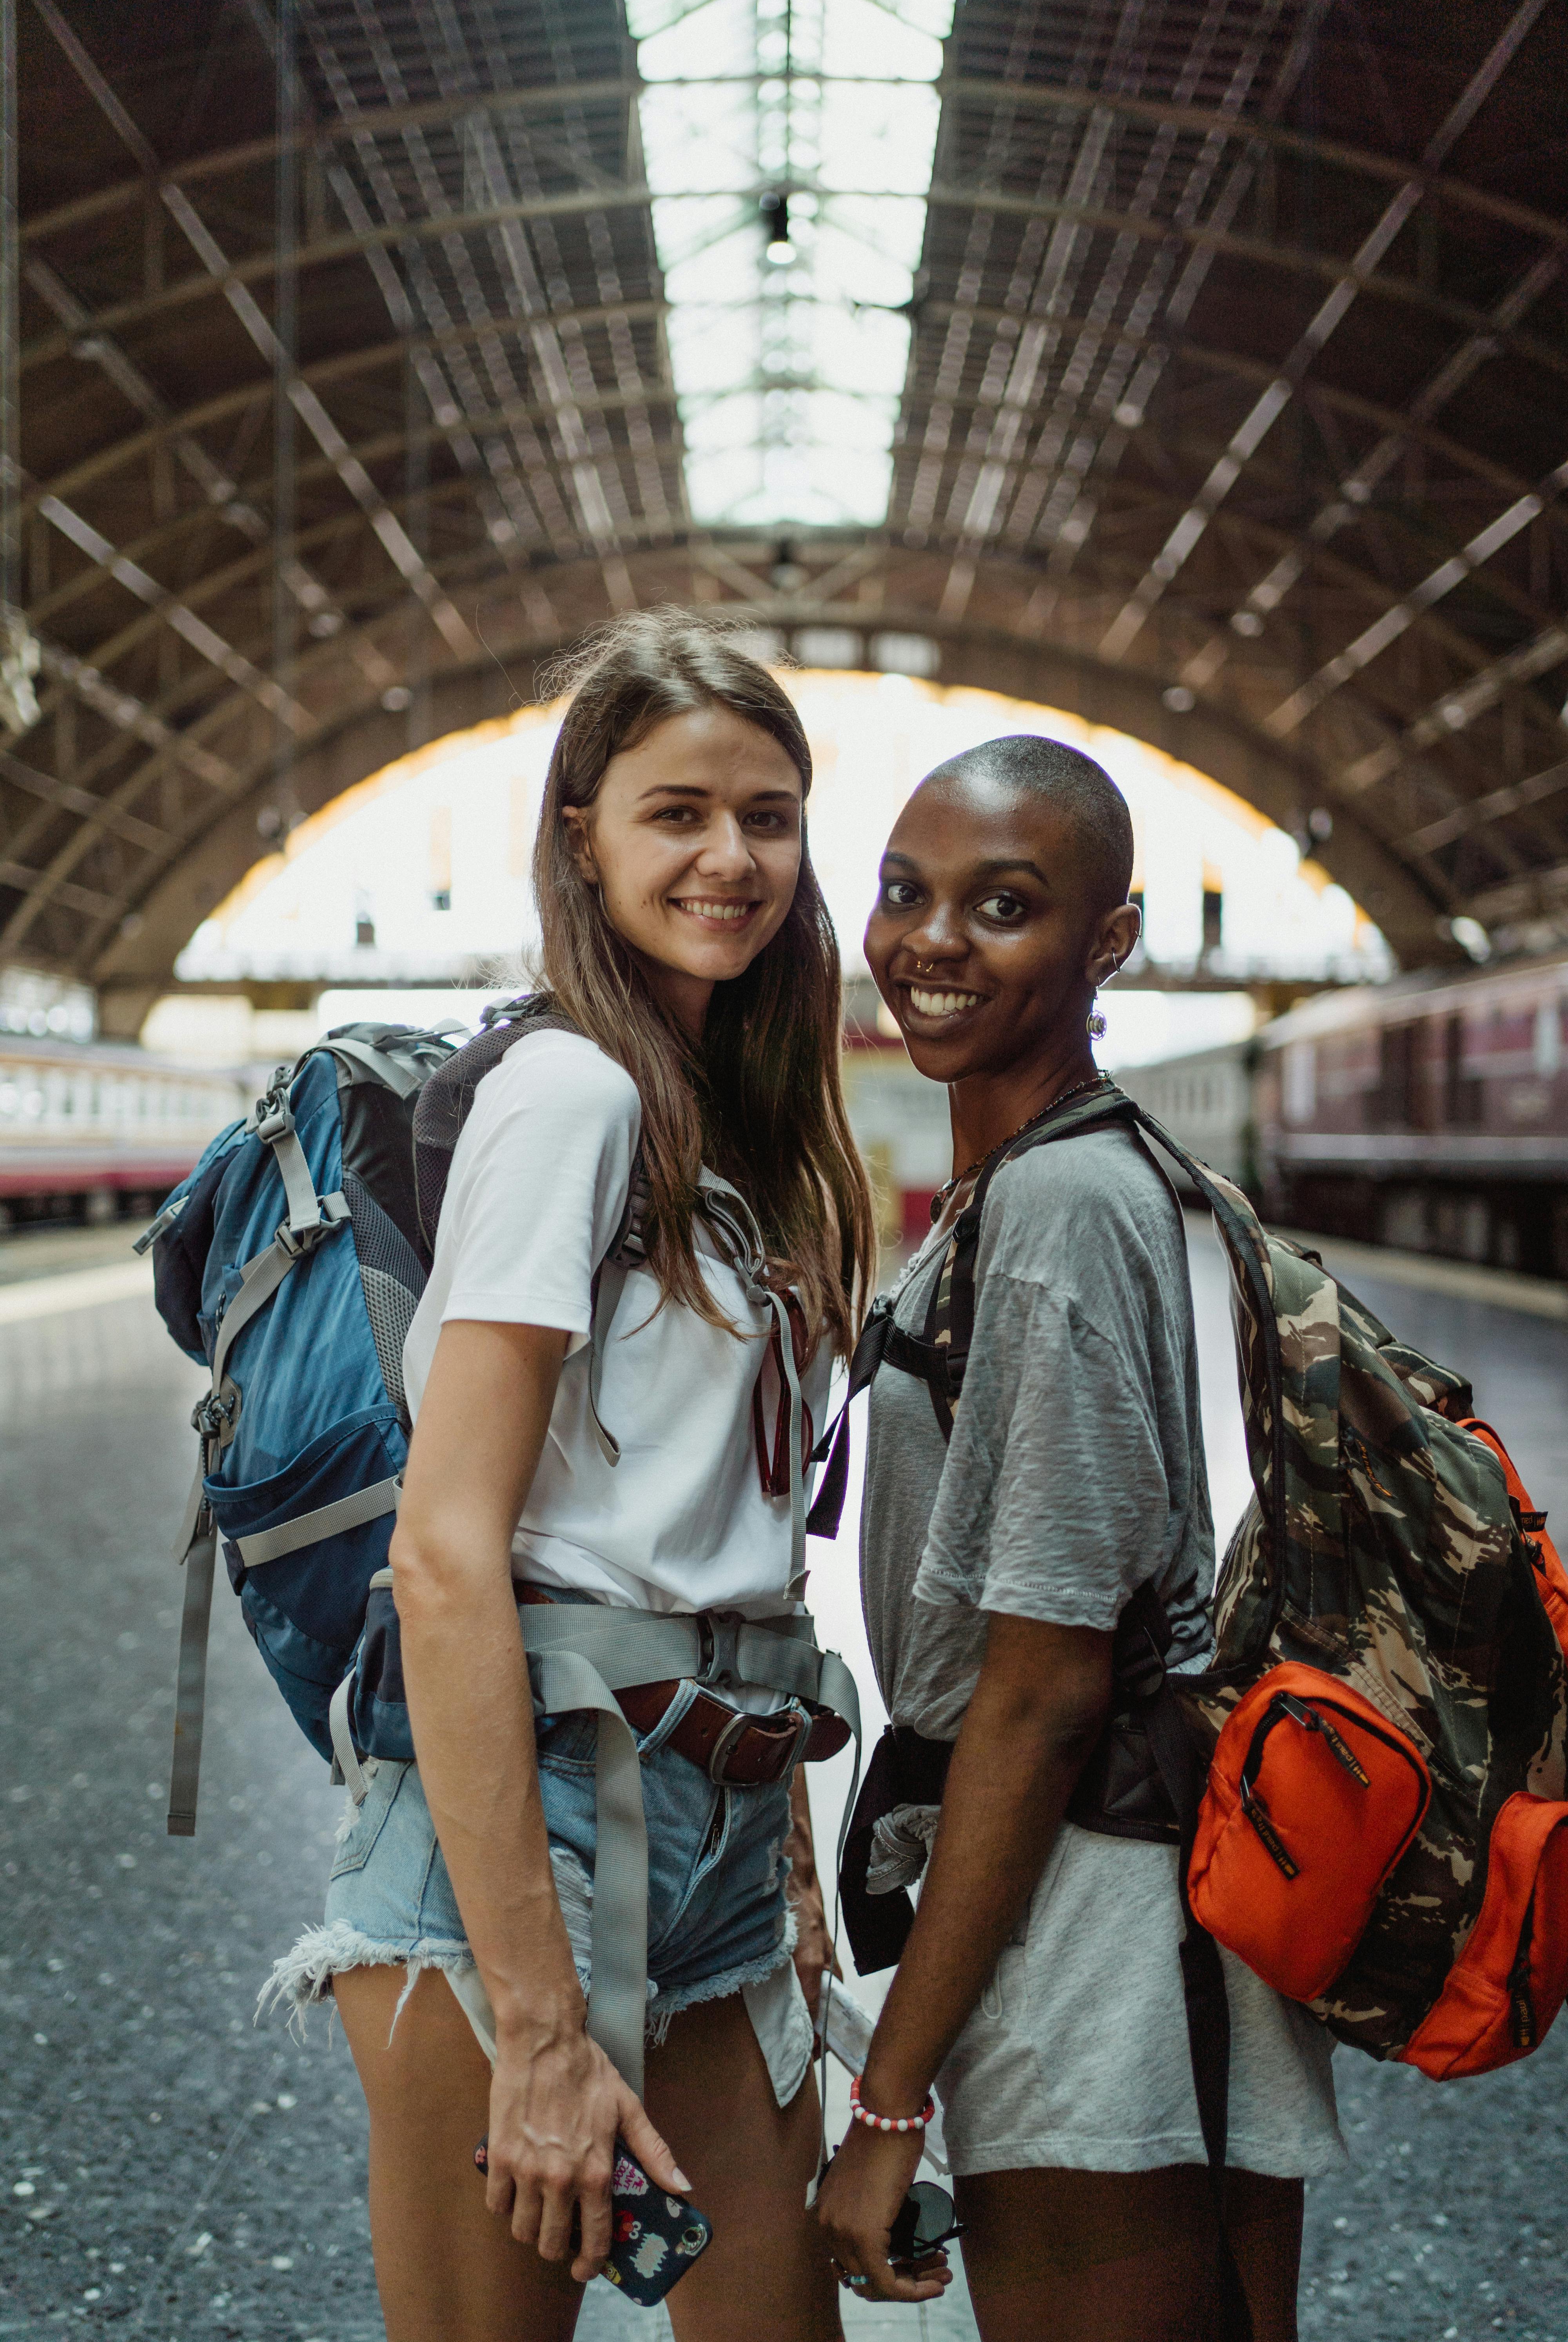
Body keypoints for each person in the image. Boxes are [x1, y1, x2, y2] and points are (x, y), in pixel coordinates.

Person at [265, 611, 875, 2341]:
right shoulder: (569, 1095)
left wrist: (792, 1864)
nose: (731, 856)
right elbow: (447, 1557)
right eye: (676, 811)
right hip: (514, 1858)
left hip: (721, 1843)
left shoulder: (736, 1122)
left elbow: (738, 1546)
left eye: (769, 815)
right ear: (581, 836)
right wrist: (538, 2024)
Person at [815, 736, 1343, 2342]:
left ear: (1106, 942)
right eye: (905, 893)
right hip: (1119, 1912)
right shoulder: (1036, 1182)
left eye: (1003, 906)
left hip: (1096, 1945)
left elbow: (1042, 1695)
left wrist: (889, 2103)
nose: (929, 942)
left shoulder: (1050, 1217)